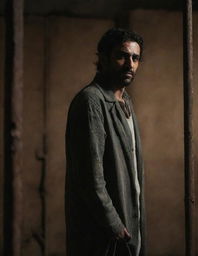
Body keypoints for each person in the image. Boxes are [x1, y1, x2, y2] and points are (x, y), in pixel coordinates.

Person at [65, 28, 146, 256]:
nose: (130, 64)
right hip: (103, 236)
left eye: (135, 58)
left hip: (129, 226)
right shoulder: (91, 101)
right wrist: (114, 225)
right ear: (103, 58)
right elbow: (90, 176)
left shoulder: (125, 101)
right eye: (122, 56)